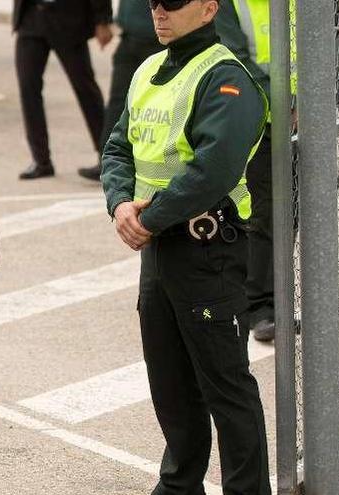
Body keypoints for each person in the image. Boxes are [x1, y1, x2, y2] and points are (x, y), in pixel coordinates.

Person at [101, 0, 271, 492]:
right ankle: (179, 485)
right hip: (157, 249)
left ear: (207, 9)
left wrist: (146, 219)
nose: (159, 11)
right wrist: (119, 205)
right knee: (170, 383)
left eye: (173, 3)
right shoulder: (148, 69)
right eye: (154, 2)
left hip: (208, 250)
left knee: (225, 386)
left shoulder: (227, 78)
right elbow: (117, 147)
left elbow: (213, 170)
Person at [215, 0, 277, 341]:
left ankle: (281, 298)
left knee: (295, 215)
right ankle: (260, 307)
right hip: (264, 121)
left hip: (311, 118)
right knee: (263, 214)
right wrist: (285, 102)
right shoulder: (232, 4)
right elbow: (236, 59)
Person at [13, 0, 114, 179]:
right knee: (28, 89)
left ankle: (109, 157)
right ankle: (41, 160)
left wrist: (102, 20)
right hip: (31, 17)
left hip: (68, 19)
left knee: (85, 89)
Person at [78, 0, 167, 181]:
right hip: (131, 37)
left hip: (159, 40)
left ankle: (149, 164)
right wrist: (104, 21)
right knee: (118, 103)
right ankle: (107, 161)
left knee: (159, 105)